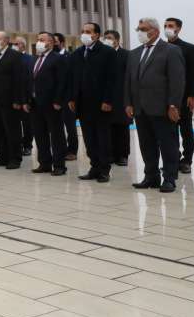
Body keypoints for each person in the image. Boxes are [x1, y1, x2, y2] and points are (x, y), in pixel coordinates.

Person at [126, 17, 186, 193]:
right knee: (146, 144)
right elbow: (129, 81)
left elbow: (177, 80)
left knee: (168, 144)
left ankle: (169, 178)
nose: (139, 32)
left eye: (143, 28)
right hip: (140, 107)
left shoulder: (171, 51)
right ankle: (151, 176)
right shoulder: (134, 53)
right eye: (138, 28)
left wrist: (174, 105)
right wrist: (128, 103)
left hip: (163, 108)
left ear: (155, 31)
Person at [68, 22, 117, 183]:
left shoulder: (107, 52)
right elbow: (73, 78)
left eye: (88, 31)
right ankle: (94, 167)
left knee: (102, 137)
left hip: (101, 103)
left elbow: (113, 79)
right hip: (82, 103)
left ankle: (104, 170)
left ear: (96, 34)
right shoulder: (77, 53)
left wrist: (108, 100)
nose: (84, 34)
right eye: (82, 31)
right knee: (89, 138)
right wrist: (72, 98)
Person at [164, 18, 194, 174]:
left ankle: (187, 160)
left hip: (184, 96)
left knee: (186, 129)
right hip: (165, 97)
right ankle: (173, 158)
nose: (167, 28)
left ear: (179, 29)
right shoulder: (161, 48)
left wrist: (193, 95)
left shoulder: (189, 48)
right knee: (168, 131)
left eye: (171, 26)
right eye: (165, 26)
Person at [0, 32, 28, 169]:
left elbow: (18, 80)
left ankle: (15, 158)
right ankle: (2, 156)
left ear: (5, 41)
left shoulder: (14, 56)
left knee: (12, 131)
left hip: (9, 100)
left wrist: (17, 100)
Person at [30, 32, 69, 175]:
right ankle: (44, 163)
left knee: (56, 135)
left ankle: (59, 165)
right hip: (35, 103)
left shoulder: (58, 59)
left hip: (52, 104)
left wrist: (58, 101)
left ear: (51, 43)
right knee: (40, 134)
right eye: (38, 39)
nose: (38, 42)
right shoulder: (35, 58)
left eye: (42, 40)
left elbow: (62, 81)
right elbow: (30, 80)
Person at [103, 30, 130, 166]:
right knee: (108, 128)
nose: (107, 40)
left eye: (109, 38)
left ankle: (123, 155)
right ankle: (111, 154)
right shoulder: (103, 54)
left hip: (122, 98)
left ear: (117, 40)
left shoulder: (126, 55)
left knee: (122, 128)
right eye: (105, 37)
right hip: (106, 98)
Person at [54, 32, 79, 160]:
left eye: (55, 42)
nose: (53, 44)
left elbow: (72, 78)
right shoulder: (49, 57)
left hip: (67, 98)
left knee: (70, 127)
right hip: (53, 99)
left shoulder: (70, 56)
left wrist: (71, 98)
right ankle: (60, 150)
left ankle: (72, 151)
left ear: (62, 43)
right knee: (56, 127)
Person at [13, 36, 35, 156]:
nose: (15, 46)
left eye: (17, 44)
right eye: (14, 44)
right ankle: (17, 145)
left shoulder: (30, 59)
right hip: (13, 97)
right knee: (15, 124)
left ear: (23, 45)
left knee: (27, 124)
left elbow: (30, 79)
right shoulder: (11, 58)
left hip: (25, 96)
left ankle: (28, 145)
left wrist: (26, 99)